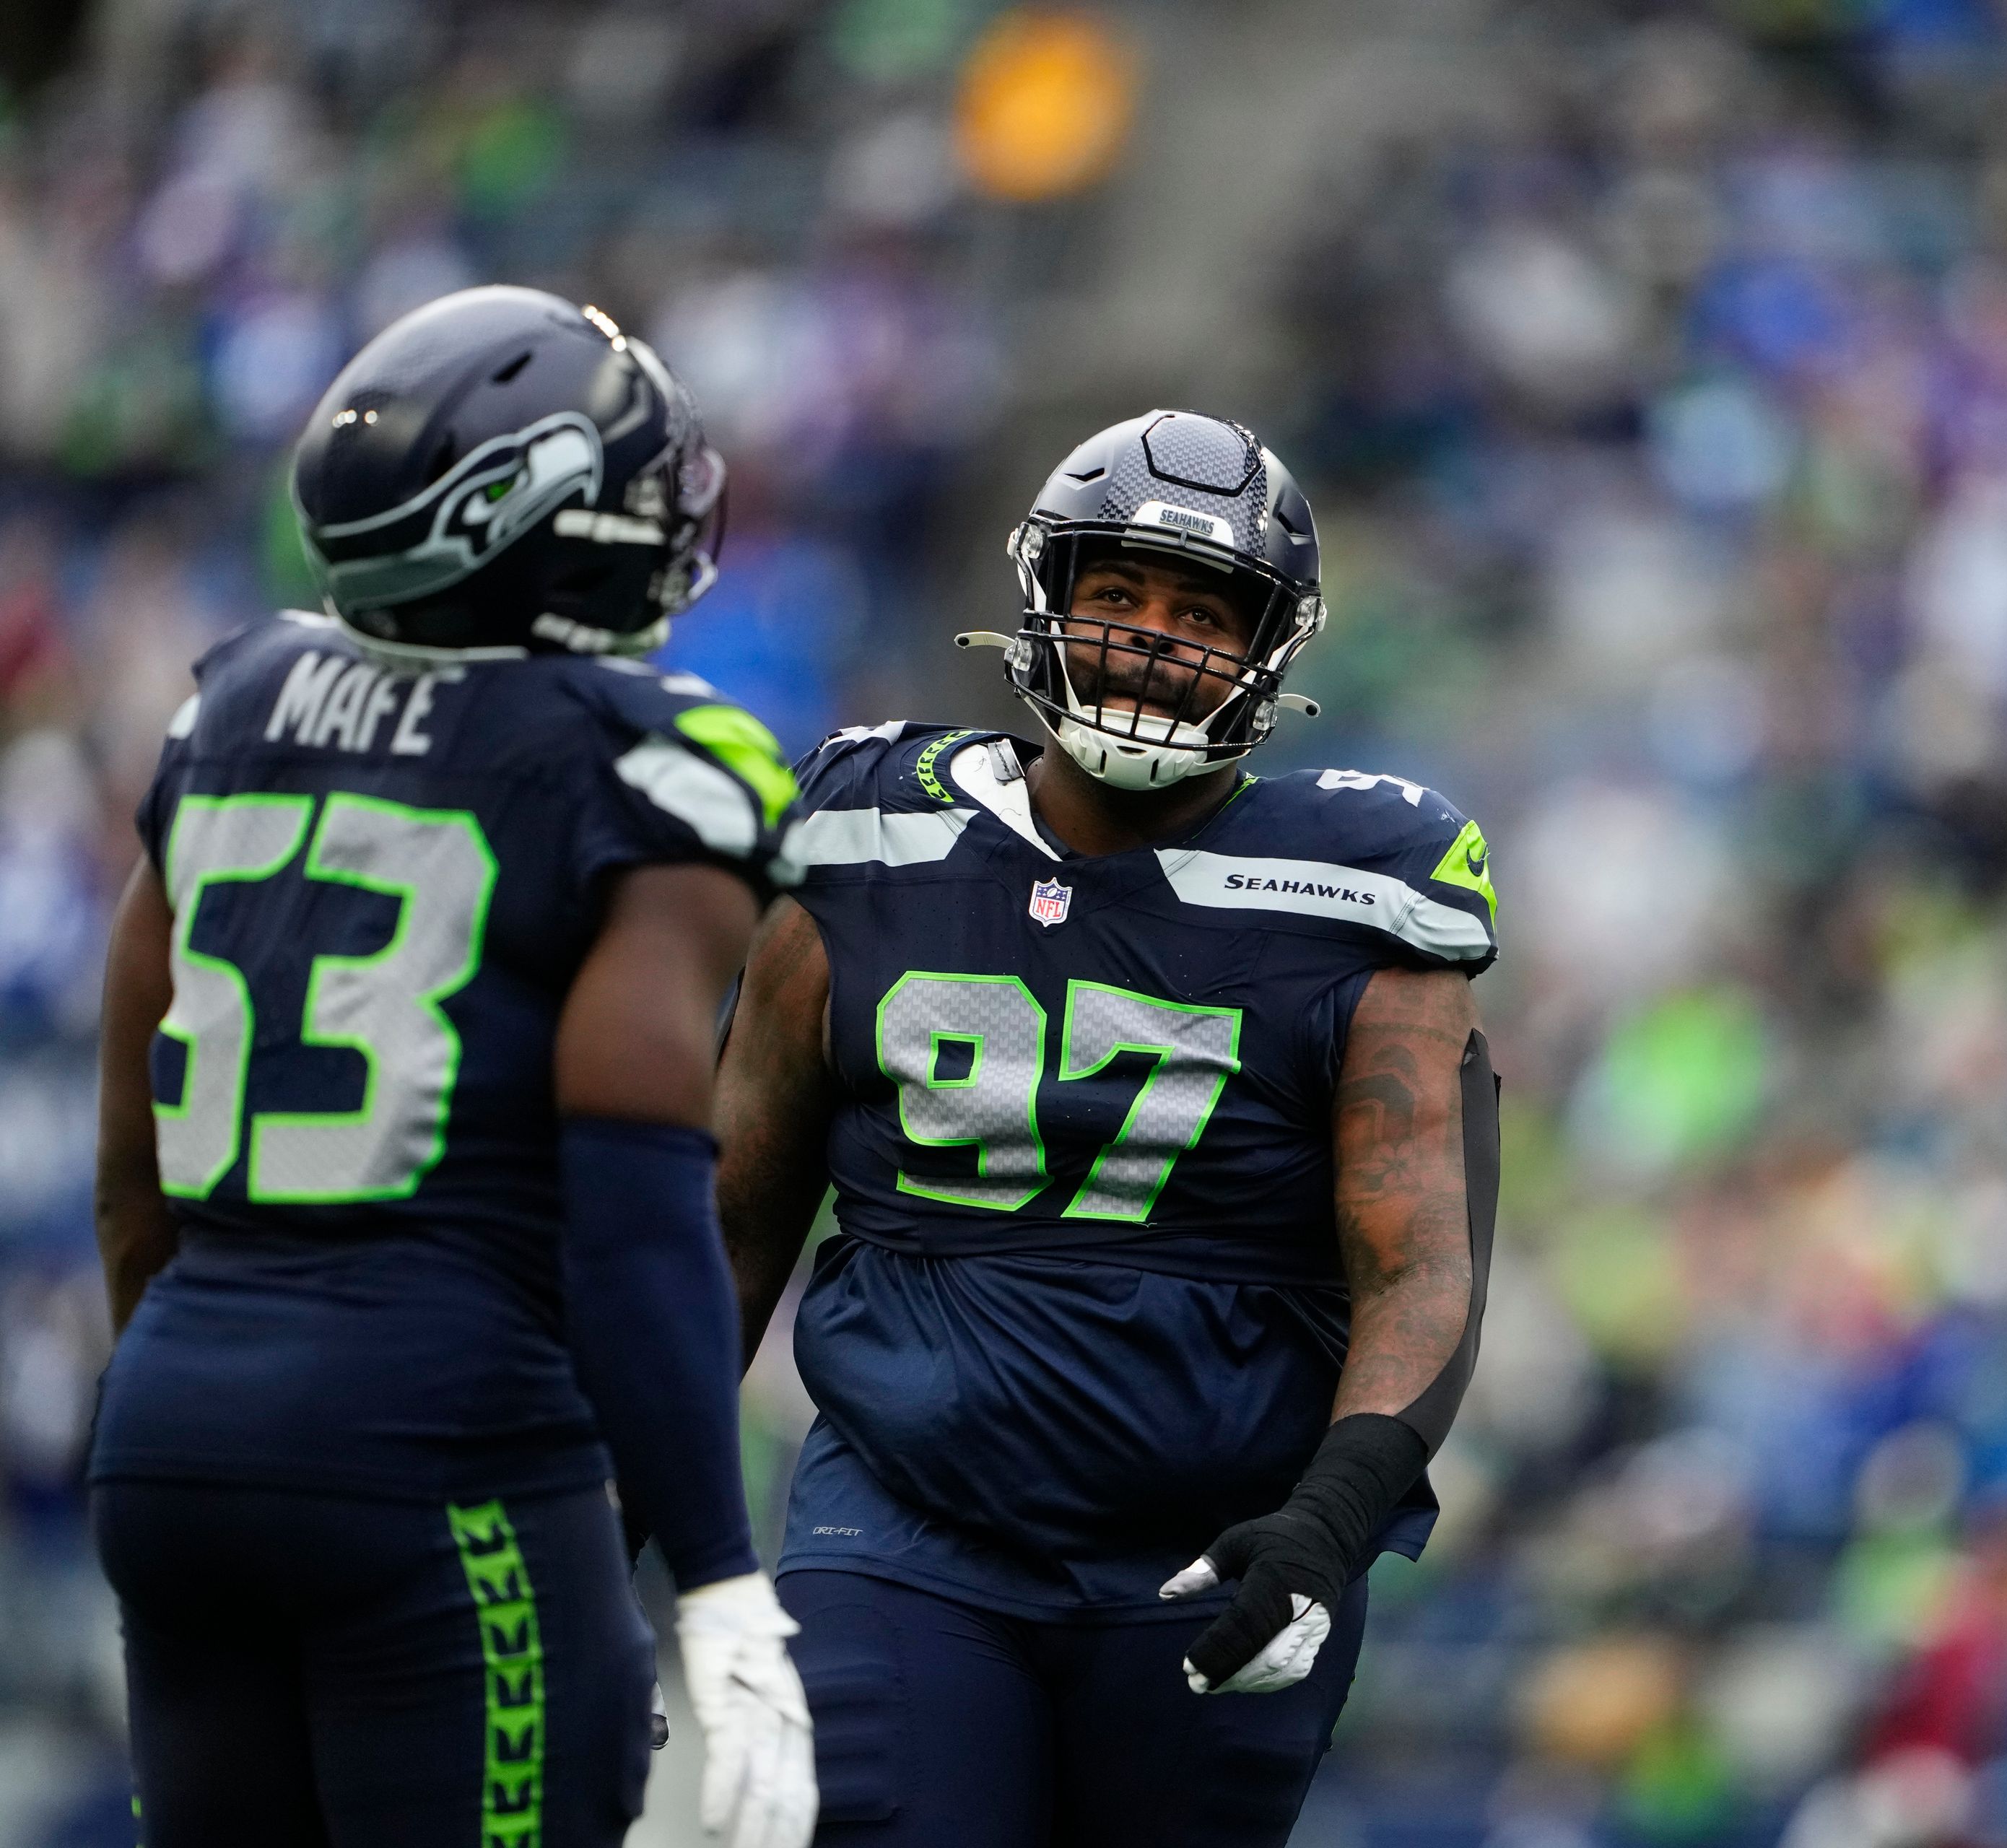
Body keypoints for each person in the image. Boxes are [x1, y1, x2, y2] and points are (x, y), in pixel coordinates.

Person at [90, 285, 817, 1848]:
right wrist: (717, 1574)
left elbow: (131, 1174)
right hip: (444, 1448)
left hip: (174, 1434)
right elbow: (634, 1222)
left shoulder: (232, 700)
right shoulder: (648, 763)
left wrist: (201, 1409)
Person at [713, 408, 1500, 1846]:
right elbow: (728, 1220)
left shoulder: (1361, 885)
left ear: (1270, 647)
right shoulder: (864, 832)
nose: (1152, 636)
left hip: (1214, 1551)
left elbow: (1423, 1263)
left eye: (1202, 610)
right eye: (1118, 593)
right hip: (901, 1526)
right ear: (1043, 600)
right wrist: (633, 1520)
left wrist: (1330, 1520)